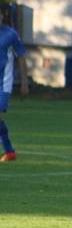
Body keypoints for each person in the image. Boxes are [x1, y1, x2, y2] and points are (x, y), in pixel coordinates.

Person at [0, 12, 28, 162]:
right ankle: (9, 152)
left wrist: (24, 82)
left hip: (3, 83)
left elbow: (21, 57)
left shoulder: (11, 34)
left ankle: (10, 152)